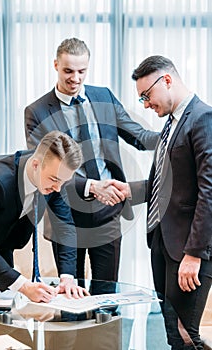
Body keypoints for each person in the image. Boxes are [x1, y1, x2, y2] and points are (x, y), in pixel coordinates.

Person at [96, 55, 212, 349]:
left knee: (187, 337)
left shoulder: (203, 119)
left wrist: (194, 254)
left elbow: (209, 193)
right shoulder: (171, 124)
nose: (146, 105)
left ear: (168, 80)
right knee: (173, 334)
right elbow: (170, 185)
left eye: (147, 96)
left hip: (188, 251)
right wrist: (129, 190)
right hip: (162, 244)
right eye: (142, 99)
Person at [24, 37, 159, 283]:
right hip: (66, 216)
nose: (75, 78)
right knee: (71, 296)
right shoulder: (37, 112)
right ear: (55, 65)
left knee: (106, 297)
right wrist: (91, 187)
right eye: (68, 71)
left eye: (81, 71)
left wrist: (177, 135)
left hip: (107, 212)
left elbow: (138, 135)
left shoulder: (103, 96)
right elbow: (45, 169)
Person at [0, 130, 89, 342]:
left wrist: (67, 277)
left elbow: (65, 227)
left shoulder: (56, 179)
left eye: (63, 183)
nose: (58, 188)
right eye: (54, 180)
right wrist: (25, 286)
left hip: (0, 251)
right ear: (36, 164)